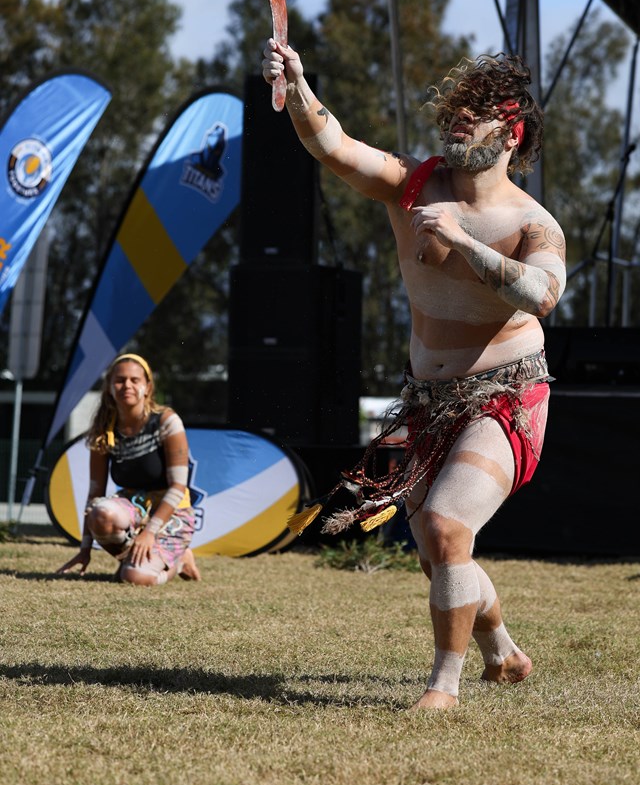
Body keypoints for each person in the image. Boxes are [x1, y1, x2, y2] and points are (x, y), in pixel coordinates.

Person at [263, 40, 566, 710]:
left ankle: (443, 687)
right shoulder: (413, 184)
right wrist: (298, 83)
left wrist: (462, 240)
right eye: (455, 110)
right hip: (429, 399)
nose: (459, 120)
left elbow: (543, 294)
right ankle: (503, 652)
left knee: (448, 530)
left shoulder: (532, 223)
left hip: (507, 397)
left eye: (477, 114)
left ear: (512, 133)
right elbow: (334, 146)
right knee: (436, 553)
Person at [57, 353, 201, 586]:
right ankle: (134, 561)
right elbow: (95, 494)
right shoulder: (104, 430)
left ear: (147, 387)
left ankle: (179, 561)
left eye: (135, 380)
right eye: (120, 380)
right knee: (101, 513)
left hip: (172, 512)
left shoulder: (166, 421)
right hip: (135, 506)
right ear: (109, 387)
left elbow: (178, 486)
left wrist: (150, 532)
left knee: (135, 578)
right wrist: (85, 549)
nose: (127, 386)